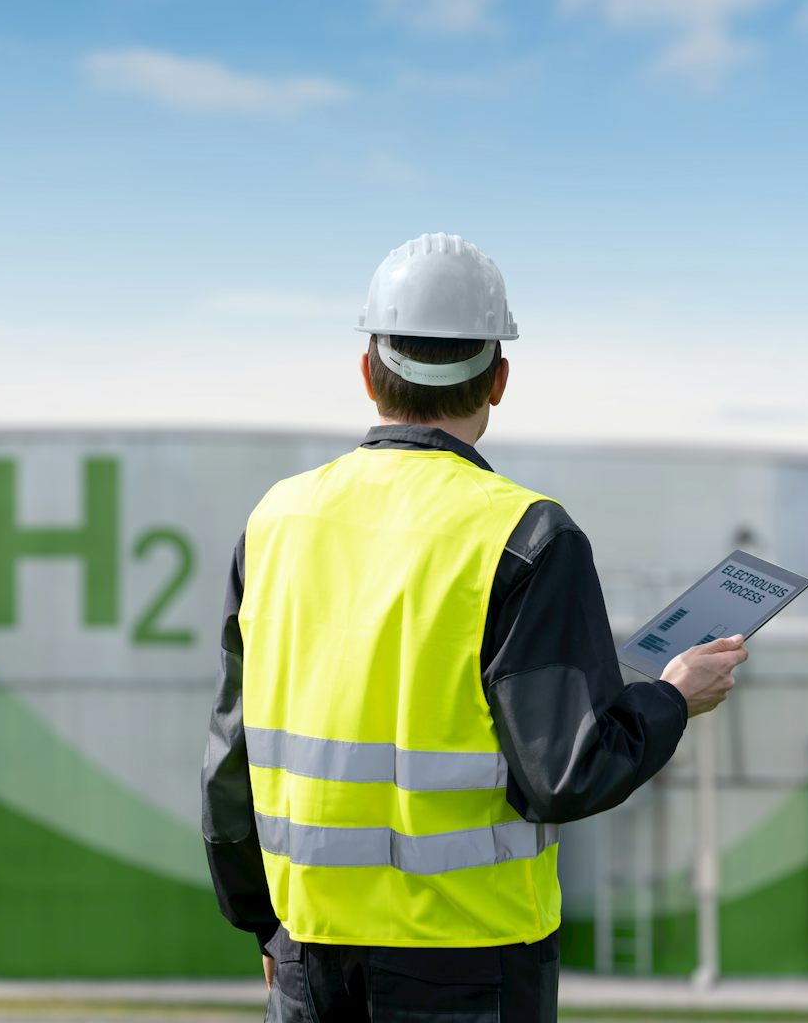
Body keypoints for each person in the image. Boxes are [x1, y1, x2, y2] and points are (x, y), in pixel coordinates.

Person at [200, 232, 749, 1023]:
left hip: (305, 953)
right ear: (498, 379)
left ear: (367, 372)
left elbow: (231, 754)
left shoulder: (275, 521)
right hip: (471, 964)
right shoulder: (528, 537)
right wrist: (672, 698)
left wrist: (264, 925)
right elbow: (569, 772)